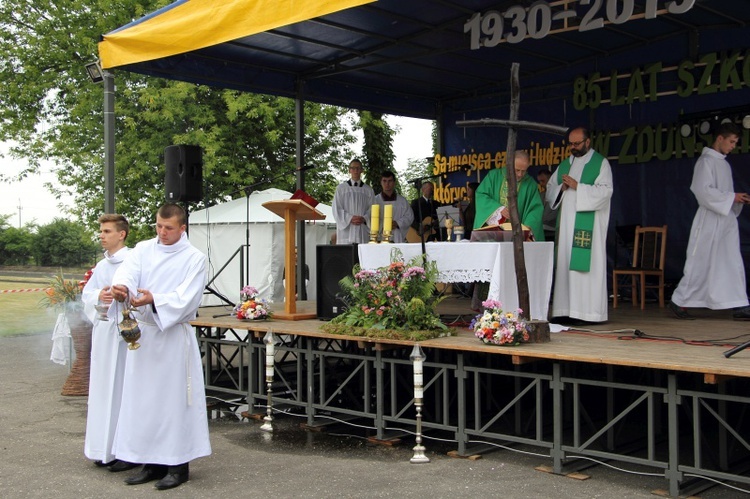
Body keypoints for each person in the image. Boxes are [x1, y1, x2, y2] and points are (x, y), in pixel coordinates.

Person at [110, 204, 211, 490]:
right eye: (158, 226)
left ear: (183, 228)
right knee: (143, 401)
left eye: (168, 228)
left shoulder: (194, 258)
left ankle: (177, 466)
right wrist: (122, 289)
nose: (162, 233)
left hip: (171, 337)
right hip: (144, 337)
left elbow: (187, 299)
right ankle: (149, 462)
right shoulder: (143, 249)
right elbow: (127, 275)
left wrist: (155, 299)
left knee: (172, 403)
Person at [668, 122, 750, 320]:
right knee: (700, 261)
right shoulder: (706, 161)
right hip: (710, 220)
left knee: (730, 261)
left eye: (735, 143)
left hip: (725, 221)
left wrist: (734, 198)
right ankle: (680, 300)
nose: (733, 146)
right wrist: (731, 198)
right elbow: (702, 190)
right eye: (731, 141)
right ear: (720, 138)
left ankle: (738, 303)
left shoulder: (723, 163)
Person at [81, 214, 136, 472]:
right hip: (104, 334)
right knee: (103, 390)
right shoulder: (102, 266)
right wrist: (99, 295)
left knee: (123, 391)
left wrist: (121, 295)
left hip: (124, 336)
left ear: (121, 234)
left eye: (106, 231)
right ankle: (102, 448)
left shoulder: (135, 260)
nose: (101, 235)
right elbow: (88, 294)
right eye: (101, 231)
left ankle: (124, 449)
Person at [546, 126, 613, 323]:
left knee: (585, 269)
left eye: (577, 144)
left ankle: (588, 314)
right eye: (570, 144)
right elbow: (550, 190)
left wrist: (578, 187)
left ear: (587, 142)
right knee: (566, 265)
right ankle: (565, 311)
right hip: (566, 227)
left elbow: (606, 192)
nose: (573, 147)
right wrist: (561, 187)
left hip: (587, 227)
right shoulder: (564, 165)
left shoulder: (601, 164)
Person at [473, 150, 545, 241]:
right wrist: (498, 209)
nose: (520, 174)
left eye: (524, 171)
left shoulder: (530, 184)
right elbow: (481, 195)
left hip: (518, 236)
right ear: (509, 164)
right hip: (494, 234)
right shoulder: (494, 176)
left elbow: (535, 210)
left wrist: (527, 228)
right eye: (517, 170)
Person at [332, 159, 375, 244]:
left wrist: (364, 218)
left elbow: (373, 208)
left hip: (362, 229)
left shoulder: (368, 190)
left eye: (358, 168)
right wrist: (350, 218)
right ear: (349, 170)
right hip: (346, 231)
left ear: (362, 170)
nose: (355, 170)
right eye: (353, 168)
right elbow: (337, 208)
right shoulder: (341, 188)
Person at [374, 170, 414, 243]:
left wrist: (397, 223)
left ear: (394, 183)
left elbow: (409, 216)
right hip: (381, 237)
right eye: (384, 181)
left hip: (397, 236)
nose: (387, 184)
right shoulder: (375, 201)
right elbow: (371, 218)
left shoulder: (402, 201)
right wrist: (383, 225)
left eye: (390, 181)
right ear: (381, 182)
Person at [537, 169, 558, 242]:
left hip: (552, 231)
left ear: (550, 179)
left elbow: (555, 214)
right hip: (542, 230)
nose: (541, 184)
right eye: (539, 181)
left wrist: (541, 221)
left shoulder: (558, 195)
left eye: (543, 181)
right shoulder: (540, 195)